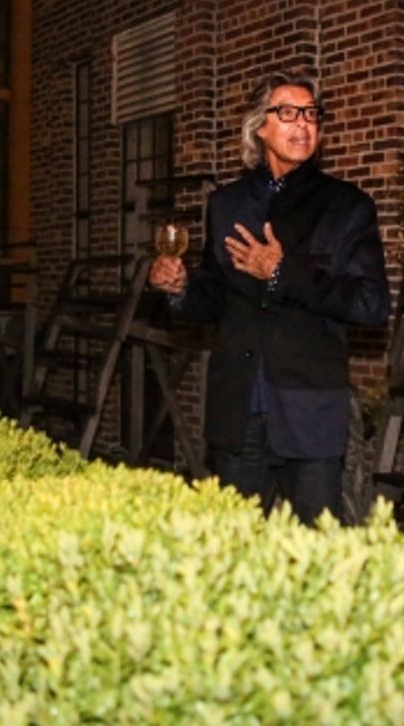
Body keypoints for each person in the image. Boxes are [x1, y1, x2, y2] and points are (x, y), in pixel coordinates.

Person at [149, 72, 390, 524]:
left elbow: (372, 305)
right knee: (236, 550)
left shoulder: (347, 206)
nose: (303, 124)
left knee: (311, 561)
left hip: (310, 412)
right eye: (288, 112)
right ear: (260, 126)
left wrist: (282, 273)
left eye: (311, 114)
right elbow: (217, 296)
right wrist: (181, 287)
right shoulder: (226, 204)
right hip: (238, 409)